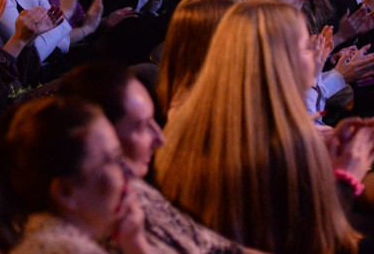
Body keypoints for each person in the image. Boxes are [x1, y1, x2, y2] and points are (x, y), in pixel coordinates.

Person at [155, 0, 374, 254]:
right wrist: (346, 179)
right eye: (307, 47)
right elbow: (309, 237)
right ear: (274, 58)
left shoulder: (241, 115)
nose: (319, 53)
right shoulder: (246, 142)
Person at [59, 61, 245, 253]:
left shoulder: (137, 194)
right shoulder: (87, 238)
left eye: (154, 120)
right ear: (103, 135)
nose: (160, 139)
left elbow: (221, 248)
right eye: (141, 126)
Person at [0, 97, 151, 254]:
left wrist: (134, 245)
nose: (127, 171)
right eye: (112, 161)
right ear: (66, 192)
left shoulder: (55, 240)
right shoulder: (64, 249)